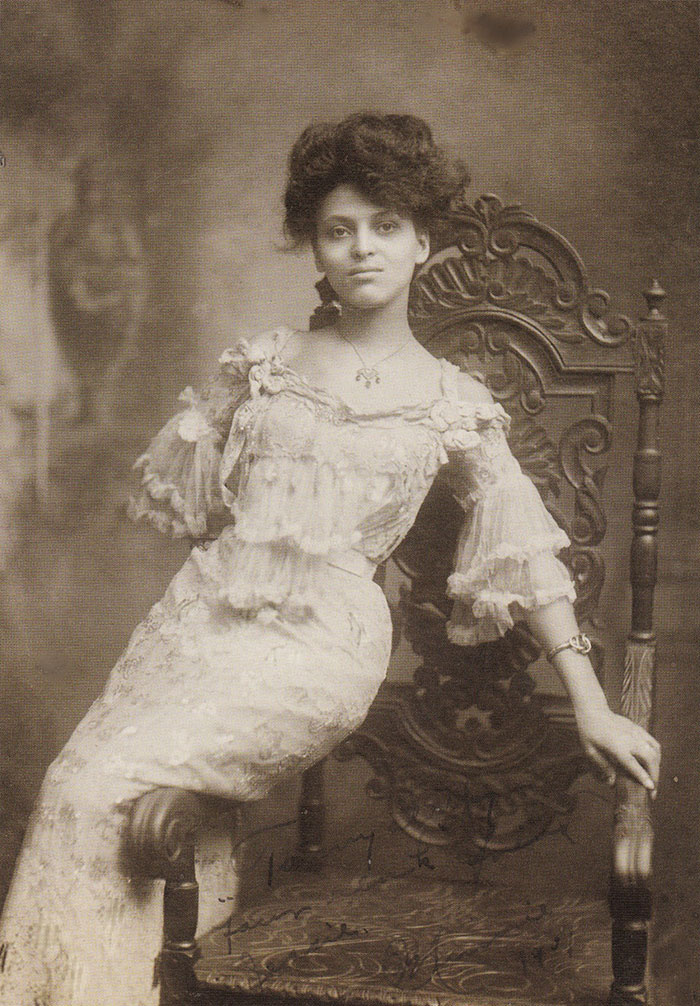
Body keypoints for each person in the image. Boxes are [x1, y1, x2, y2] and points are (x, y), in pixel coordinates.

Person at [0, 113, 660, 1005]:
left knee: (108, 795)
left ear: (424, 241)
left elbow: (527, 555)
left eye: (386, 226)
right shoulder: (263, 365)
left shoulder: (450, 403)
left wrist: (593, 705)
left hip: (322, 646)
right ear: (315, 247)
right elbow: (200, 507)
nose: (362, 250)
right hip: (202, 625)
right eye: (337, 230)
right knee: (75, 790)